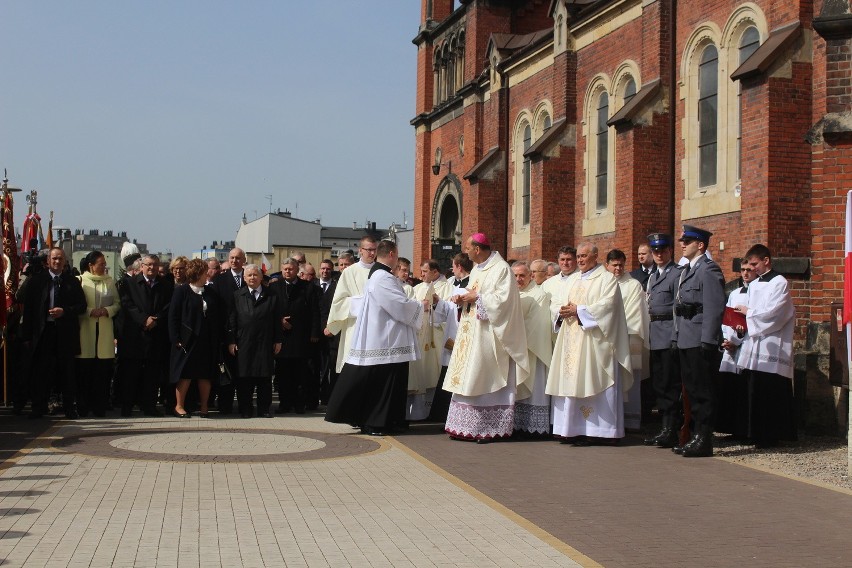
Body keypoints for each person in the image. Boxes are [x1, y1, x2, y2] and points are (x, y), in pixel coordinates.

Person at [325, 239, 424, 435]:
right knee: (381, 385)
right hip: (384, 340)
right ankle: (375, 422)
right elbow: (399, 305)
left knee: (383, 384)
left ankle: (383, 421)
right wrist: (421, 306)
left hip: (385, 338)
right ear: (392, 254)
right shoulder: (382, 277)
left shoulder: (379, 275)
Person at [443, 233, 529, 442]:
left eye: (468, 249)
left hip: (491, 336)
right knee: (469, 377)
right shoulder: (477, 270)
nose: (467, 253)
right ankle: (464, 426)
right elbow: (473, 294)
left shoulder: (501, 269)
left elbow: (505, 301)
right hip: (472, 333)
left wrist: (478, 297)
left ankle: (487, 428)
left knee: (485, 376)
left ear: (478, 249)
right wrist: (462, 298)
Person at [545, 243, 632, 446]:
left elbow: (608, 306)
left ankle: (601, 431)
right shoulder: (572, 279)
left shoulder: (607, 279)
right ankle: (573, 429)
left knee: (594, 380)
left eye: (584, 256)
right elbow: (557, 302)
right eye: (579, 256)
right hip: (571, 341)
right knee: (573, 380)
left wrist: (580, 310)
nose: (581, 260)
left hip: (595, 343)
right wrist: (561, 310)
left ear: (595, 256)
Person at [734, 244, 797, 447]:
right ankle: (755, 433)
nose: (752, 269)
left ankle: (771, 435)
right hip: (755, 342)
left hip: (772, 342)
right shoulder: (754, 285)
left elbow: (775, 313)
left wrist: (748, 314)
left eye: (755, 264)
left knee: (771, 390)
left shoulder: (779, 282)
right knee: (755, 389)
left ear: (766, 261)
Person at [671, 225, 725, 457]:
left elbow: (714, 308)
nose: (682, 244)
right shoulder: (687, 270)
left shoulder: (708, 270)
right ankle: (694, 436)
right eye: (682, 240)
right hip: (686, 337)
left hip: (700, 339)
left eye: (688, 241)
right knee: (691, 391)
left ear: (700, 245)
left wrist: (708, 340)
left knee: (703, 391)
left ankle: (704, 439)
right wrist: (676, 336)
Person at [19, 247, 87, 419]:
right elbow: (28, 311)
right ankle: (38, 407)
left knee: (67, 373)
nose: (57, 262)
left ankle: (70, 408)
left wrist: (64, 311)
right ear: (48, 261)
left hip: (65, 333)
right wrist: (26, 336)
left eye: (60, 259)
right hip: (43, 333)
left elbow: (82, 306)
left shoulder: (72, 281)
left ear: (65, 262)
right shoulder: (37, 281)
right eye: (54, 259)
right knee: (41, 372)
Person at [117, 254, 174, 417]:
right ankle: (127, 406)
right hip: (134, 336)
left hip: (156, 335)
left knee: (152, 375)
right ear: (141, 266)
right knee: (130, 375)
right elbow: (127, 304)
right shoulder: (129, 284)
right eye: (148, 265)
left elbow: (168, 306)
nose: (152, 268)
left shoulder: (166, 285)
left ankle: (149, 406)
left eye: (155, 265)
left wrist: (156, 319)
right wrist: (143, 319)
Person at [642, 233, 684, 448]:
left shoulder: (677, 273)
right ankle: (665, 428)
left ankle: (671, 429)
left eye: (662, 251)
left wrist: (676, 336)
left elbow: (677, 307)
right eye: (655, 251)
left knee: (670, 384)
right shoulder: (653, 276)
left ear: (670, 251)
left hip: (668, 333)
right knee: (659, 384)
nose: (659, 254)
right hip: (655, 333)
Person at [168, 258, 223, 418]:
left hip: (206, 340)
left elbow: (218, 316)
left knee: (205, 375)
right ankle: (179, 406)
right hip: (186, 341)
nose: (208, 274)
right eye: (205, 271)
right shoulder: (182, 291)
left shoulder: (211, 292)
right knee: (185, 374)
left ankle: (205, 406)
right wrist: (176, 338)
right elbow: (173, 316)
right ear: (197, 273)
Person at [227, 264, 283, 418]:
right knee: (244, 378)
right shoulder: (238, 295)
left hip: (265, 342)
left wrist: (278, 340)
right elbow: (232, 320)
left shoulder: (272, 296)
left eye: (255, 275)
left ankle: (264, 409)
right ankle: (245, 408)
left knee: (264, 377)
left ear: (260, 277)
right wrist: (231, 341)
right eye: (249, 275)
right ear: (244, 278)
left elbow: (276, 320)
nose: (252, 278)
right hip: (244, 342)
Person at [604, 249, 649, 431]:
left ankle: (629, 421)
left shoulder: (633, 285)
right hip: (606, 340)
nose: (618, 268)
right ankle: (609, 420)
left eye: (621, 264)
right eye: (614, 265)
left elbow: (633, 314)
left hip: (627, 339)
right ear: (607, 265)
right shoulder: (602, 284)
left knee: (628, 380)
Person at [270, 257, 321, 413]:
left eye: (290, 269)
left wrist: (314, 333)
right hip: (282, 338)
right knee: (283, 374)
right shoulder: (274, 287)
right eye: (285, 269)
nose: (287, 271)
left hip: (301, 337)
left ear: (297, 270)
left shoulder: (307, 287)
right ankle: (285, 403)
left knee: (301, 374)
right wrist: (279, 321)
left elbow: (315, 312)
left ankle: (300, 404)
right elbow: (269, 310)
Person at [407, 259, 455, 420]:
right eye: (421, 271)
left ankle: (434, 411)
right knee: (421, 372)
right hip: (420, 336)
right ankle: (418, 412)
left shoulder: (448, 288)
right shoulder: (417, 288)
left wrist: (434, 306)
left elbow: (450, 314)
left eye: (425, 271)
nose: (421, 274)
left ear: (435, 272)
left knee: (435, 372)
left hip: (437, 338)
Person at [76, 251, 120, 418]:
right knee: (85, 373)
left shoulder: (109, 281)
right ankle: (83, 406)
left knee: (102, 374)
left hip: (104, 331)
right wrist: (89, 312)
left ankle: (99, 406)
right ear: (91, 266)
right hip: (85, 330)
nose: (103, 267)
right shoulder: (80, 281)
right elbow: (76, 305)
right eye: (100, 264)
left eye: (104, 264)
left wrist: (106, 310)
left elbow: (117, 303)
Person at [511, 261, 552, 436]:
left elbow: (537, 324)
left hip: (533, 349)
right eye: (515, 276)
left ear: (531, 276)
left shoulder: (539, 294)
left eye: (522, 275)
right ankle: (514, 425)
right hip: (514, 349)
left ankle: (533, 428)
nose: (518, 279)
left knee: (533, 387)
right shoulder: (509, 294)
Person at [325, 236, 377, 376]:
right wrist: (362, 302)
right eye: (368, 250)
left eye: (374, 250)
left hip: (376, 329)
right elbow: (339, 302)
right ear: (360, 250)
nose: (372, 253)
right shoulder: (349, 272)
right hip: (355, 327)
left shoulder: (381, 272)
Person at [717, 263, 755, 437]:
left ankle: (745, 429)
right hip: (731, 346)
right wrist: (728, 340)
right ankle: (731, 428)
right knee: (731, 388)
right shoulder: (734, 293)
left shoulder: (757, 293)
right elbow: (728, 320)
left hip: (748, 344)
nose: (745, 273)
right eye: (743, 270)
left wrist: (738, 339)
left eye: (749, 270)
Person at [210, 247, 248, 414]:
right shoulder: (220, 280)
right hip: (225, 333)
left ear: (243, 260)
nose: (234, 261)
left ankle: (244, 406)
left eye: (238, 258)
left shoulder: (250, 277)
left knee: (244, 373)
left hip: (246, 333)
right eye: (231, 258)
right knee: (226, 372)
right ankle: (225, 406)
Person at [318, 253, 354, 405]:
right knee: (334, 369)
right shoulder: (334, 285)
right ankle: (334, 400)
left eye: (346, 265)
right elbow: (324, 309)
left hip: (352, 332)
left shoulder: (357, 282)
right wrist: (327, 326)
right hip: (335, 337)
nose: (344, 268)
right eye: (341, 265)